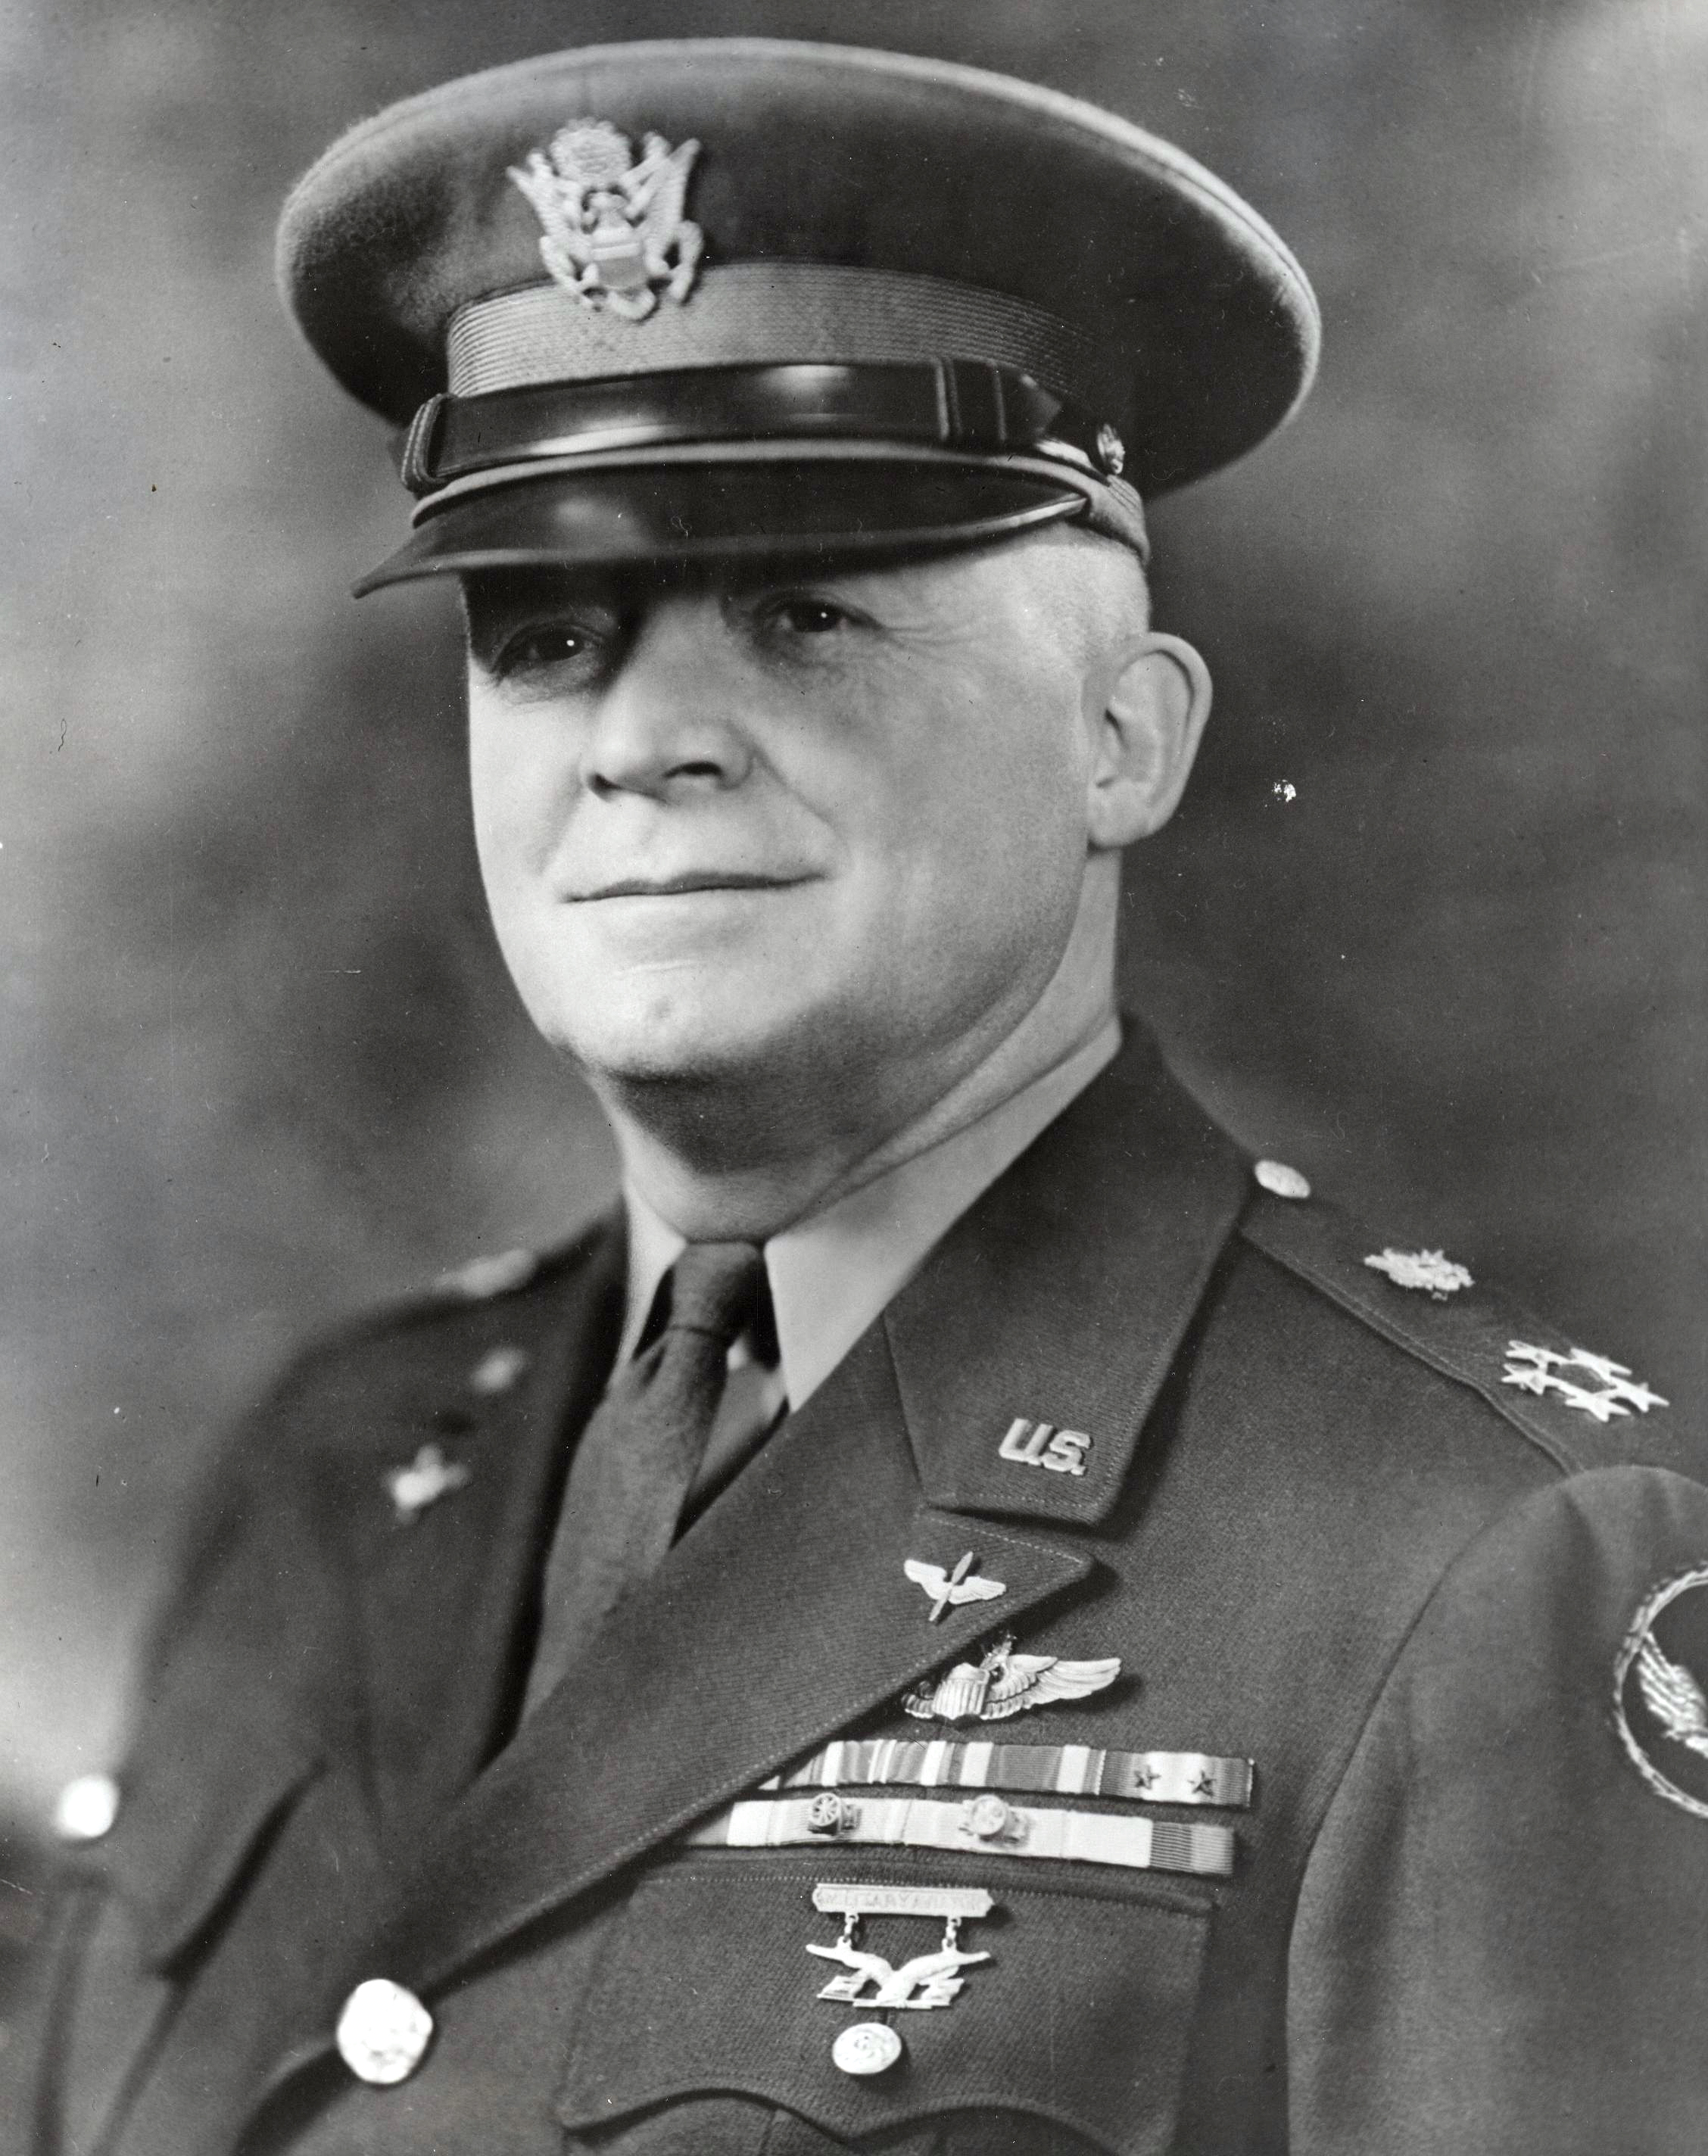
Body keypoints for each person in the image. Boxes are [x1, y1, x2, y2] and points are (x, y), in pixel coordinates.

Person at [9, 37, 1708, 2156]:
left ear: (1124, 740)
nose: (644, 740)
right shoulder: (333, 1466)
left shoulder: (1481, 1559)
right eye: (544, 636)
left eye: (807, 611)